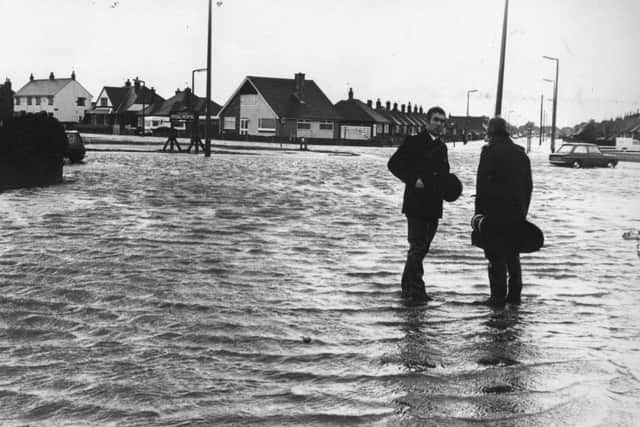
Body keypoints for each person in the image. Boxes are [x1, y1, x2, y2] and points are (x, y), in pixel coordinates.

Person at [388, 106, 450, 300]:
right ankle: (416, 290)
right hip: (416, 203)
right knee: (417, 246)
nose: (439, 124)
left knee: (423, 248)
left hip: (434, 204)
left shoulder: (442, 147)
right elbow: (394, 164)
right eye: (436, 120)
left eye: (442, 121)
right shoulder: (413, 142)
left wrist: (451, 189)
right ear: (427, 122)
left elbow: (445, 175)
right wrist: (413, 179)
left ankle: (408, 287)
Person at [473, 117, 533, 306]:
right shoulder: (521, 154)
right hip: (516, 214)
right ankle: (515, 299)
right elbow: (529, 186)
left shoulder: (489, 153)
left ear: (490, 133)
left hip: (494, 215)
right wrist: (523, 211)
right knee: (513, 256)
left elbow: (482, 186)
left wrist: (479, 216)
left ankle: (497, 299)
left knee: (495, 256)